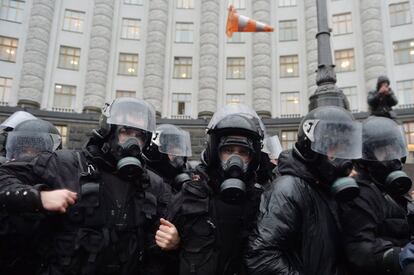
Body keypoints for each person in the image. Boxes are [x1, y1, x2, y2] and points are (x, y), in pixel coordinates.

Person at [0, 97, 176, 275]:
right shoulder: (66, 164)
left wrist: (173, 242)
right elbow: (4, 175)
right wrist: (37, 197)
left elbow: (164, 235)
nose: (133, 141)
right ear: (108, 131)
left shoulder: (153, 184)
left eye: (139, 136)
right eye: (126, 132)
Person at [246, 106, 363, 275]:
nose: (342, 159)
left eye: (345, 149)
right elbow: (260, 256)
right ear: (311, 148)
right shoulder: (288, 189)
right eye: (333, 149)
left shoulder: (326, 187)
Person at [168, 104, 265, 275]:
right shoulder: (190, 195)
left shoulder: (261, 201)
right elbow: (157, 253)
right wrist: (173, 244)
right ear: (214, 153)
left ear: (252, 157)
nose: (235, 159)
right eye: (228, 150)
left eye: (242, 152)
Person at [339, 116, 414, 275]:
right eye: (383, 151)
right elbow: (359, 251)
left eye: (394, 149)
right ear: (366, 157)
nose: (392, 156)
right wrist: (399, 256)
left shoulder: (392, 187)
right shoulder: (359, 194)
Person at [0, 118, 62, 275]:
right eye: (23, 150)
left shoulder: (61, 183)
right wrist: (37, 198)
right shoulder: (4, 173)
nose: (28, 156)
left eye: (37, 152)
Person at [143, 124, 193, 194]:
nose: (178, 159)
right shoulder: (146, 182)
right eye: (172, 152)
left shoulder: (189, 176)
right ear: (156, 153)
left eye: (180, 153)